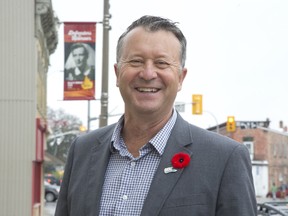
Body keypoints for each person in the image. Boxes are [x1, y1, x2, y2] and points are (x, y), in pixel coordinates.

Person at [55, 15, 257, 216]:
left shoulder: (224, 159)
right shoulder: (82, 151)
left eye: (161, 63)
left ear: (180, 78)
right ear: (117, 74)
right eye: (136, 61)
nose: (148, 73)